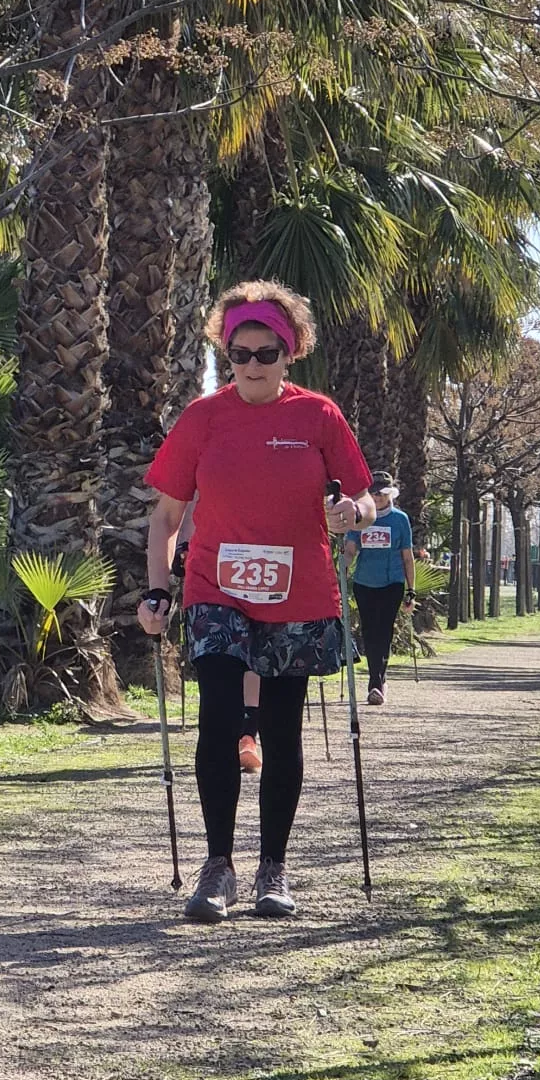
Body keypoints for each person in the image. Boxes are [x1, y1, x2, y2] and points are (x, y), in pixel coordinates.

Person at [137, 281, 374, 923]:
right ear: (225, 353)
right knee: (217, 715)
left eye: (265, 353)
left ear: (289, 351)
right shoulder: (203, 418)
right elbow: (164, 518)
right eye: (238, 353)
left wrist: (353, 511)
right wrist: (158, 589)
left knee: (280, 724)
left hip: (297, 593)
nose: (251, 366)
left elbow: (367, 497)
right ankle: (218, 867)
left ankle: (274, 866)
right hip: (215, 589)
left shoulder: (318, 416)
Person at [341, 471, 416, 708]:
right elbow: (351, 550)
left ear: (390, 494)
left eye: (382, 493)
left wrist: (411, 589)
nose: (377, 497)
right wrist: (341, 569)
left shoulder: (400, 519)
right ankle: (377, 678)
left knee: (383, 631)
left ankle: (376, 682)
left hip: (392, 582)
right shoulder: (360, 518)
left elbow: (407, 556)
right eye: (373, 493)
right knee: (369, 630)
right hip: (364, 582)